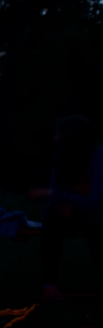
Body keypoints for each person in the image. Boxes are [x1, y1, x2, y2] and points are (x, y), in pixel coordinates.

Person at [31, 116, 103, 300]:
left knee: (95, 223)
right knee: (52, 219)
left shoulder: (98, 158)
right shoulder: (62, 157)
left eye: (58, 133)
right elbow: (60, 192)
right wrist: (65, 199)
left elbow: (95, 202)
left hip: (97, 214)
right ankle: (49, 285)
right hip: (76, 211)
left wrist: (52, 194)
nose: (55, 138)